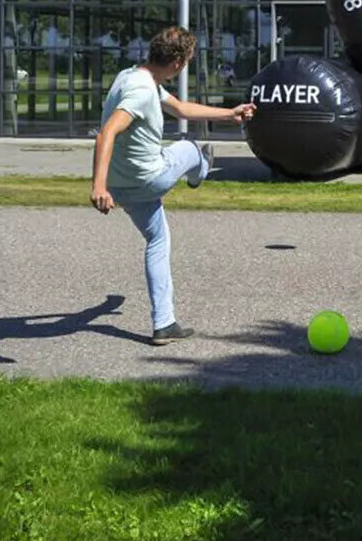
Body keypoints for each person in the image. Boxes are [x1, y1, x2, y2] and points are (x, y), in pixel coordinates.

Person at [90, 26, 255, 345]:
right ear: (178, 63)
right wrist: (98, 187)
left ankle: (164, 324)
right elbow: (107, 132)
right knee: (192, 148)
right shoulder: (141, 90)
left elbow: (179, 108)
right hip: (150, 177)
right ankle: (200, 170)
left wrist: (229, 113)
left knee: (157, 238)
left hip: (124, 186)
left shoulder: (133, 76)